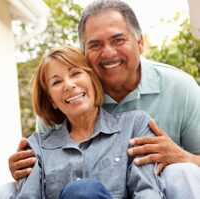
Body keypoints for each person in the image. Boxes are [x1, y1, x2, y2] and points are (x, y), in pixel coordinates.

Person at [9, 0, 200, 181]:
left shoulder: (180, 87)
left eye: (118, 40)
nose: (108, 53)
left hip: (158, 189)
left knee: (183, 171)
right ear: (84, 53)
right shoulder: (69, 100)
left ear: (140, 43)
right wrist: (27, 169)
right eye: (95, 45)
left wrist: (183, 156)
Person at [16, 45, 165, 198]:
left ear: (92, 80)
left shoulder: (135, 126)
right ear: (51, 100)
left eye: (75, 73)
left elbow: (147, 192)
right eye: (56, 82)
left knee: (84, 190)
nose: (68, 85)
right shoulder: (37, 148)